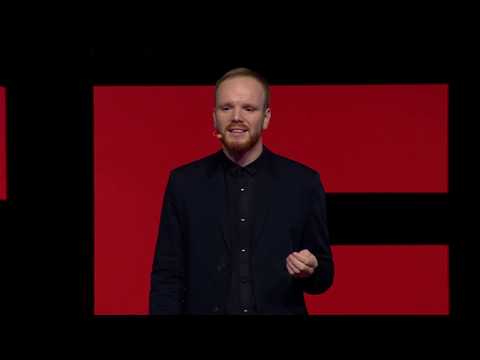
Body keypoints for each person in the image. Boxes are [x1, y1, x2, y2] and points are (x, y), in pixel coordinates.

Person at [149, 67, 334, 315]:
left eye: (249, 108)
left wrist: (312, 269)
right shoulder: (183, 183)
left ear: (266, 117)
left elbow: (324, 274)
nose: (237, 117)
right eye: (226, 108)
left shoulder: (303, 183)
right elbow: (166, 277)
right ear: (214, 117)